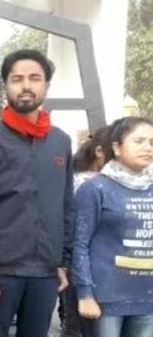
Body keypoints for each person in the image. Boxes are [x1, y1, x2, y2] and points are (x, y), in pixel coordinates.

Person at [0, 49, 74, 337]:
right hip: (0, 272)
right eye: (17, 79)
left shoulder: (60, 142)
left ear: (46, 86)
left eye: (35, 78)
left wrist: (63, 262)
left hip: (46, 273)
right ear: (6, 86)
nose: (26, 86)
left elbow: (66, 204)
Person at [73, 117, 153, 337]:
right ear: (117, 147)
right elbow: (79, 244)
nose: (147, 147)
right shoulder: (95, 189)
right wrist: (85, 294)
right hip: (106, 300)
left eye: (151, 142)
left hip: (146, 299)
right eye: (139, 141)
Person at [59, 126, 111, 337]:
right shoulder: (83, 182)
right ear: (100, 151)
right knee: (78, 323)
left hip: (96, 262)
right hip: (80, 259)